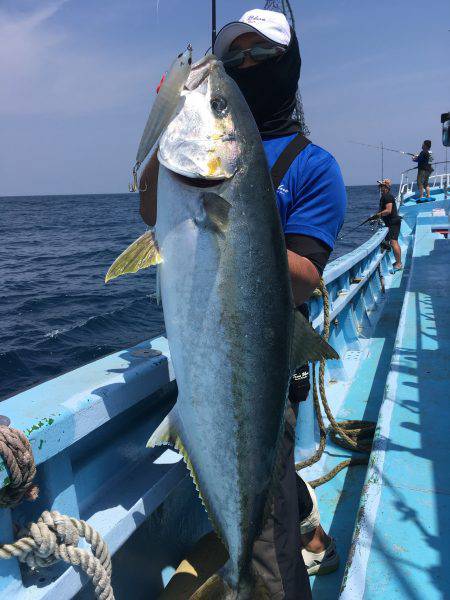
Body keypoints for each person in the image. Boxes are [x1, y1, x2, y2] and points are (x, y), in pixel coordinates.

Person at [140, 9, 346, 599]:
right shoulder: (202, 140)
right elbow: (152, 213)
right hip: (208, 345)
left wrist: (239, 222)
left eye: (263, 56)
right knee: (267, 491)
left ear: (291, 66)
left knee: (267, 542)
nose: (248, 66)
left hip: (265, 357)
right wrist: (169, 119)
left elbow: (305, 274)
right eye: (238, 57)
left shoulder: (314, 166)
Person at [372, 179, 402, 271]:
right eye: (380, 187)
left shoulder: (388, 197)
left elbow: (388, 210)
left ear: (387, 188)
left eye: (383, 186)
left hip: (393, 223)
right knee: (390, 242)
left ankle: (398, 264)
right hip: (390, 223)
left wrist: (378, 215)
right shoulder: (384, 197)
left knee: (394, 242)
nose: (381, 188)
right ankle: (397, 262)